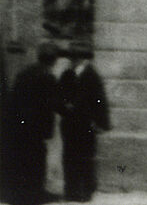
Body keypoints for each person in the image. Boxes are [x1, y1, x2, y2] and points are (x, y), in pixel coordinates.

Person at [5, 42, 60, 205]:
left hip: (18, 124)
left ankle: (19, 194)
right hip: (35, 128)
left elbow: (13, 99)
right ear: (54, 60)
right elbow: (50, 106)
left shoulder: (24, 73)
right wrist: (47, 132)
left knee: (21, 159)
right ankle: (35, 194)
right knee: (36, 159)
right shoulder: (48, 76)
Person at [57, 43, 110, 203]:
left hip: (86, 124)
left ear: (81, 58)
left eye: (74, 58)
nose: (71, 61)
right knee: (69, 157)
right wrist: (64, 106)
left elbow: (100, 100)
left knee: (86, 157)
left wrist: (101, 123)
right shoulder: (66, 74)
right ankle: (71, 190)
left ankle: (86, 191)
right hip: (69, 124)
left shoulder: (92, 75)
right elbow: (58, 96)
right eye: (70, 58)